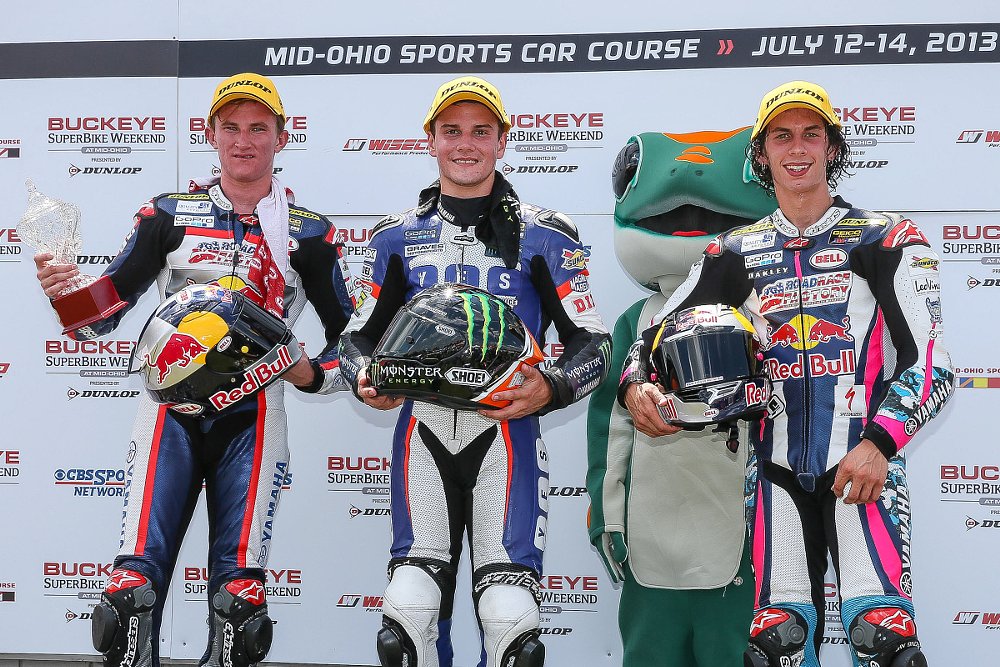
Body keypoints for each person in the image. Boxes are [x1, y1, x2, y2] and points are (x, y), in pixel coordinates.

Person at [618, 80, 954, 667]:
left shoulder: (887, 237)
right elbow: (652, 340)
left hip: (862, 470)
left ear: (832, 148)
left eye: (811, 134)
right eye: (782, 136)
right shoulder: (731, 252)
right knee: (778, 644)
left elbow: (932, 364)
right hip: (773, 472)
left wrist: (879, 443)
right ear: (763, 154)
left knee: (886, 639)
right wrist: (637, 384)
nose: (797, 148)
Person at [33, 72, 356, 667]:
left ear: (282, 138)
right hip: (168, 417)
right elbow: (103, 315)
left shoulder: (310, 232)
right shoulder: (168, 214)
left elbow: (354, 344)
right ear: (210, 134)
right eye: (230, 127)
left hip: (255, 417)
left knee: (241, 603)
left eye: (258, 128)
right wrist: (66, 295)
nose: (243, 140)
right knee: (129, 597)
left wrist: (313, 373)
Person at [338, 75, 612, 667]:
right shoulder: (394, 238)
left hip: (506, 433)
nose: (466, 144)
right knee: (409, 608)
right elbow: (357, 336)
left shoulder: (545, 234)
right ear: (430, 140)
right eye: (452, 130)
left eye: (480, 131)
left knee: (509, 614)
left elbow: (594, 343)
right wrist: (364, 375)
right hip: (422, 433)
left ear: (502, 141)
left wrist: (554, 386)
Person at [587, 126, 776, 667]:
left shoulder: (775, 312)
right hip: (653, 531)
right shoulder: (635, 323)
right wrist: (609, 518)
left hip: (742, 536)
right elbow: (609, 427)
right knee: (651, 652)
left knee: (735, 653)